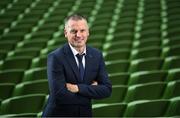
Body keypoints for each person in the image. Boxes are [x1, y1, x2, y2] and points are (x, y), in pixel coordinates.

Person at [42, 14, 112, 117]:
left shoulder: (97, 55)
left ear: (88, 32)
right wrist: (91, 91)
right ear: (66, 33)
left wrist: (78, 88)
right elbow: (59, 95)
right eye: (73, 31)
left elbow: (106, 89)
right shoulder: (55, 57)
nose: (78, 35)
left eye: (82, 30)